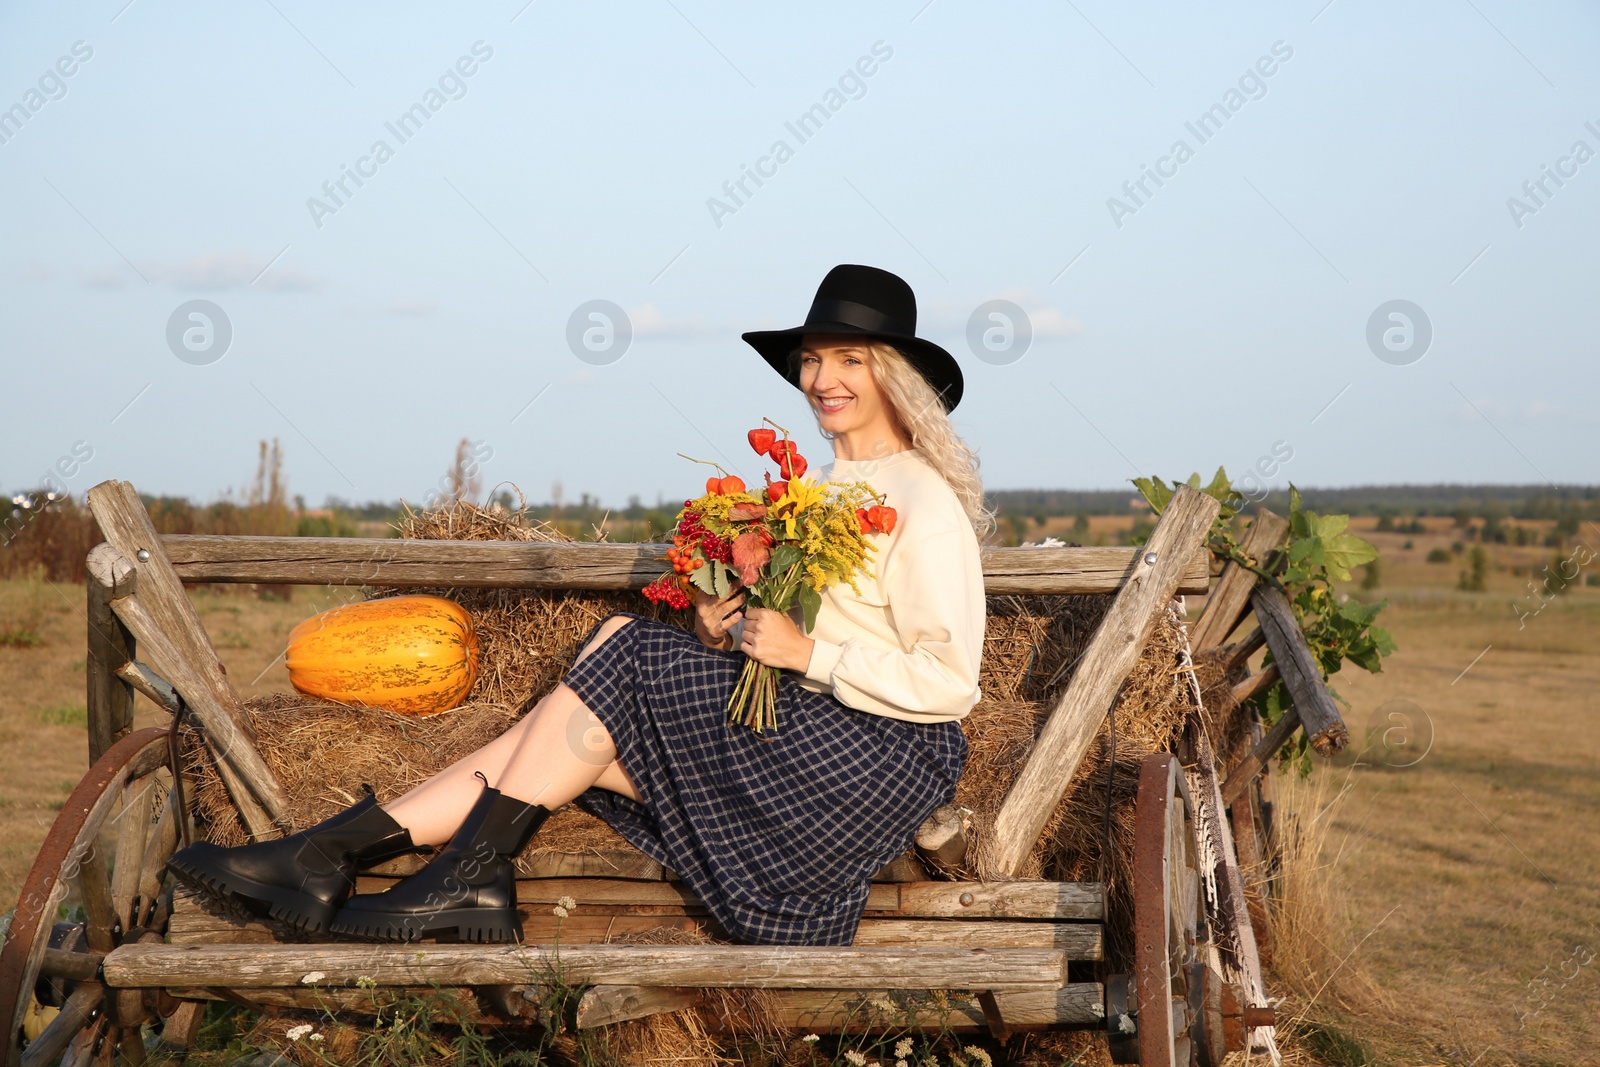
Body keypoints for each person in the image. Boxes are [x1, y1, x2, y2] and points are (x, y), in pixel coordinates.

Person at [166, 263, 997, 947]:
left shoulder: (924, 502)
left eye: (849, 360)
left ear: (892, 374)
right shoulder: (813, 487)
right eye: (813, 360)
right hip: (804, 738)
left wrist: (810, 654)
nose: (823, 379)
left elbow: (953, 682)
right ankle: (340, 854)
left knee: (624, 653)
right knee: (585, 719)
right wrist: (732, 627)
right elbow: (805, 627)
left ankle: (424, 868)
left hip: (875, 765)